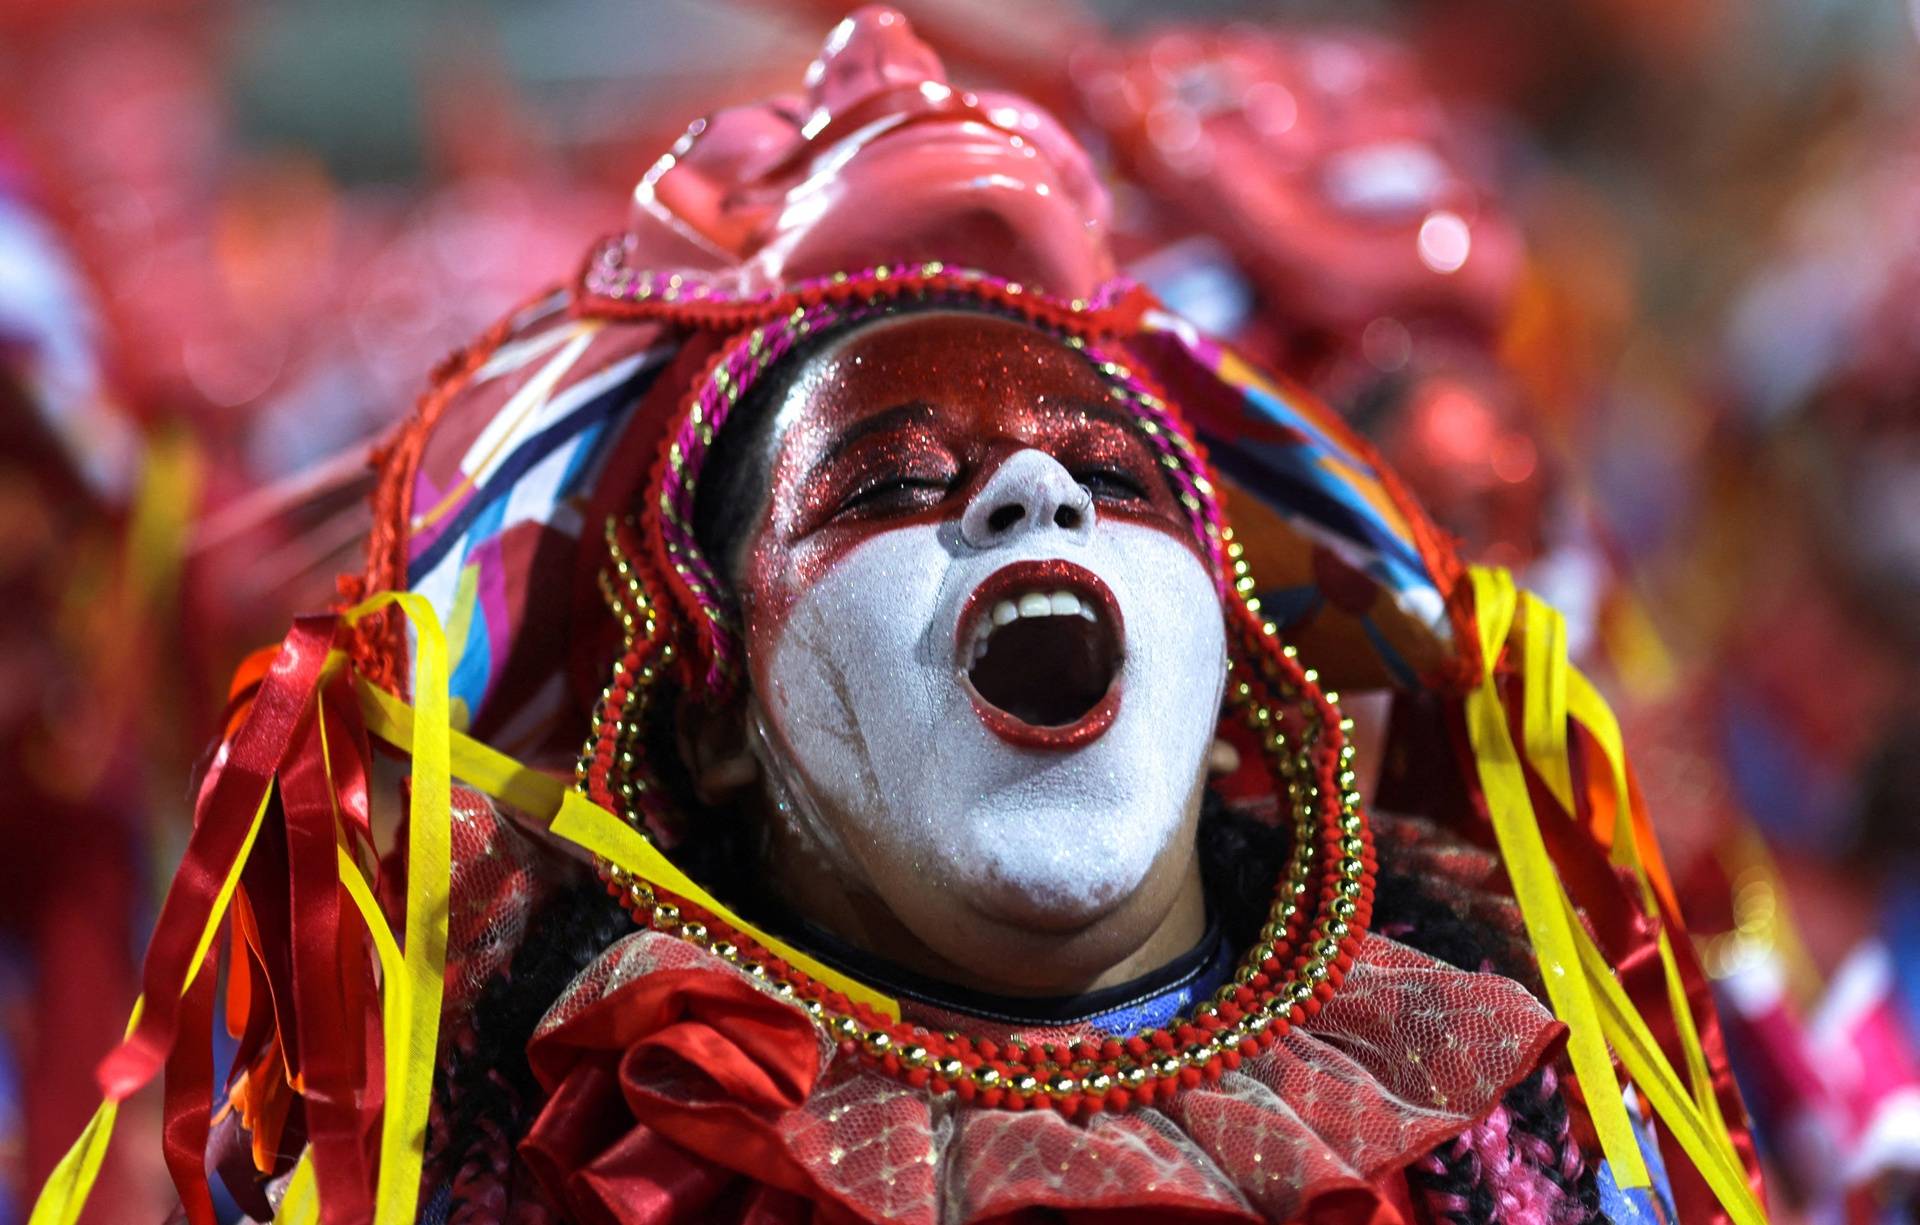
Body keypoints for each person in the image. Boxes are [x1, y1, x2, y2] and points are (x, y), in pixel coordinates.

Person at [31, 9, 1764, 1224]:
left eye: (1110, 472)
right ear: (712, 703)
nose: (1036, 500)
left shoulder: (1498, 1067)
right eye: (886, 488)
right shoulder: (555, 1144)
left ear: (1233, 644)